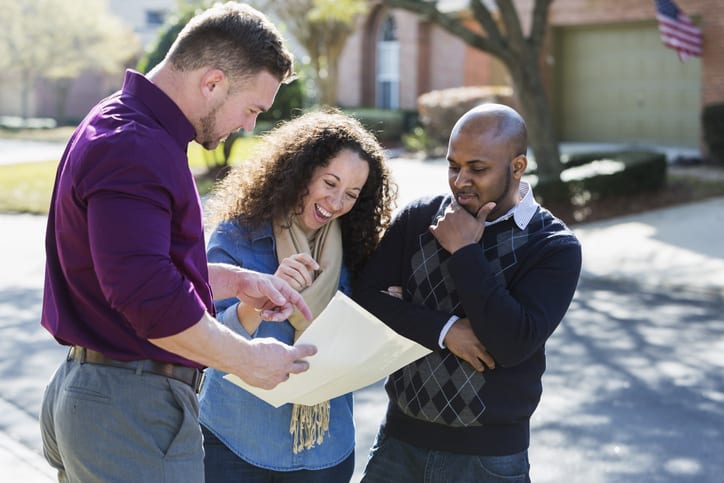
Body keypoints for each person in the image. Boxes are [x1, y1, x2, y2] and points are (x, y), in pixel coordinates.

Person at [39, 3, 318, 482]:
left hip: (107, 400)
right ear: (212, 82)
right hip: (131, 411)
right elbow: (148, 299)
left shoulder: (121, 122)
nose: (250, 126)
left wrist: (235, 281)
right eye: (252, 108)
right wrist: (250, 360)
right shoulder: (135, 145)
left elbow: (129, 265)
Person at [353, 103, 582, 482]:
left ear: (517, 166)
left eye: (478, 169)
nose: (460, 181)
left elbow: (511, 342)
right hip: (398, 444)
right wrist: (445, 331)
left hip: (487, 461)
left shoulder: (553, 246)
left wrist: (465, 252)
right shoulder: (419, 218)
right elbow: (365, 299)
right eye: (453, 166)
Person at [198, 109, 396, 482]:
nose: (336, 203)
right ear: (301, 170)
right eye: (329, 183)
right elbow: (206, 339)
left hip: (326, 450)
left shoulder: (358, 251)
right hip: (236, 442)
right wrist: (262, 293)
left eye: (351, 194)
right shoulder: (238, 237)